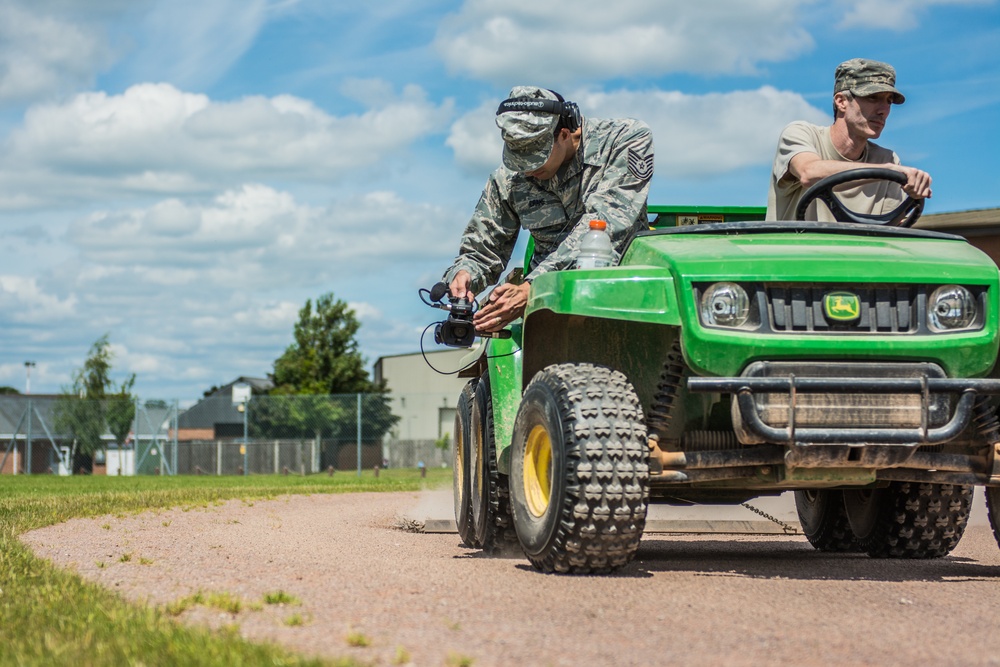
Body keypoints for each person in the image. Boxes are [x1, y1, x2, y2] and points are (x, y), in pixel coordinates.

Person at [442, 86, 654, 333]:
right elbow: (484, 248)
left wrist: (534, 287)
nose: (527, 170)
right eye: (517, 159)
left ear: (564, 133)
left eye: (536, 159)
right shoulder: (509, 180)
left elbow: (605, 223)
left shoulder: (624, 140)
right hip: (546, 313)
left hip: (622, 298)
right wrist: (465, 274)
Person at [766, 58, 932, 221]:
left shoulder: (888, 159)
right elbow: (808, 173)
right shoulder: (801, 133)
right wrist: (888, 171)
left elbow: (890, 227)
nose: (884, 110)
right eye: (873, 97)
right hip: (796, 247)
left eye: (888, 101)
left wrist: (913, 195)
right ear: (841, 102)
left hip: (855, 249)